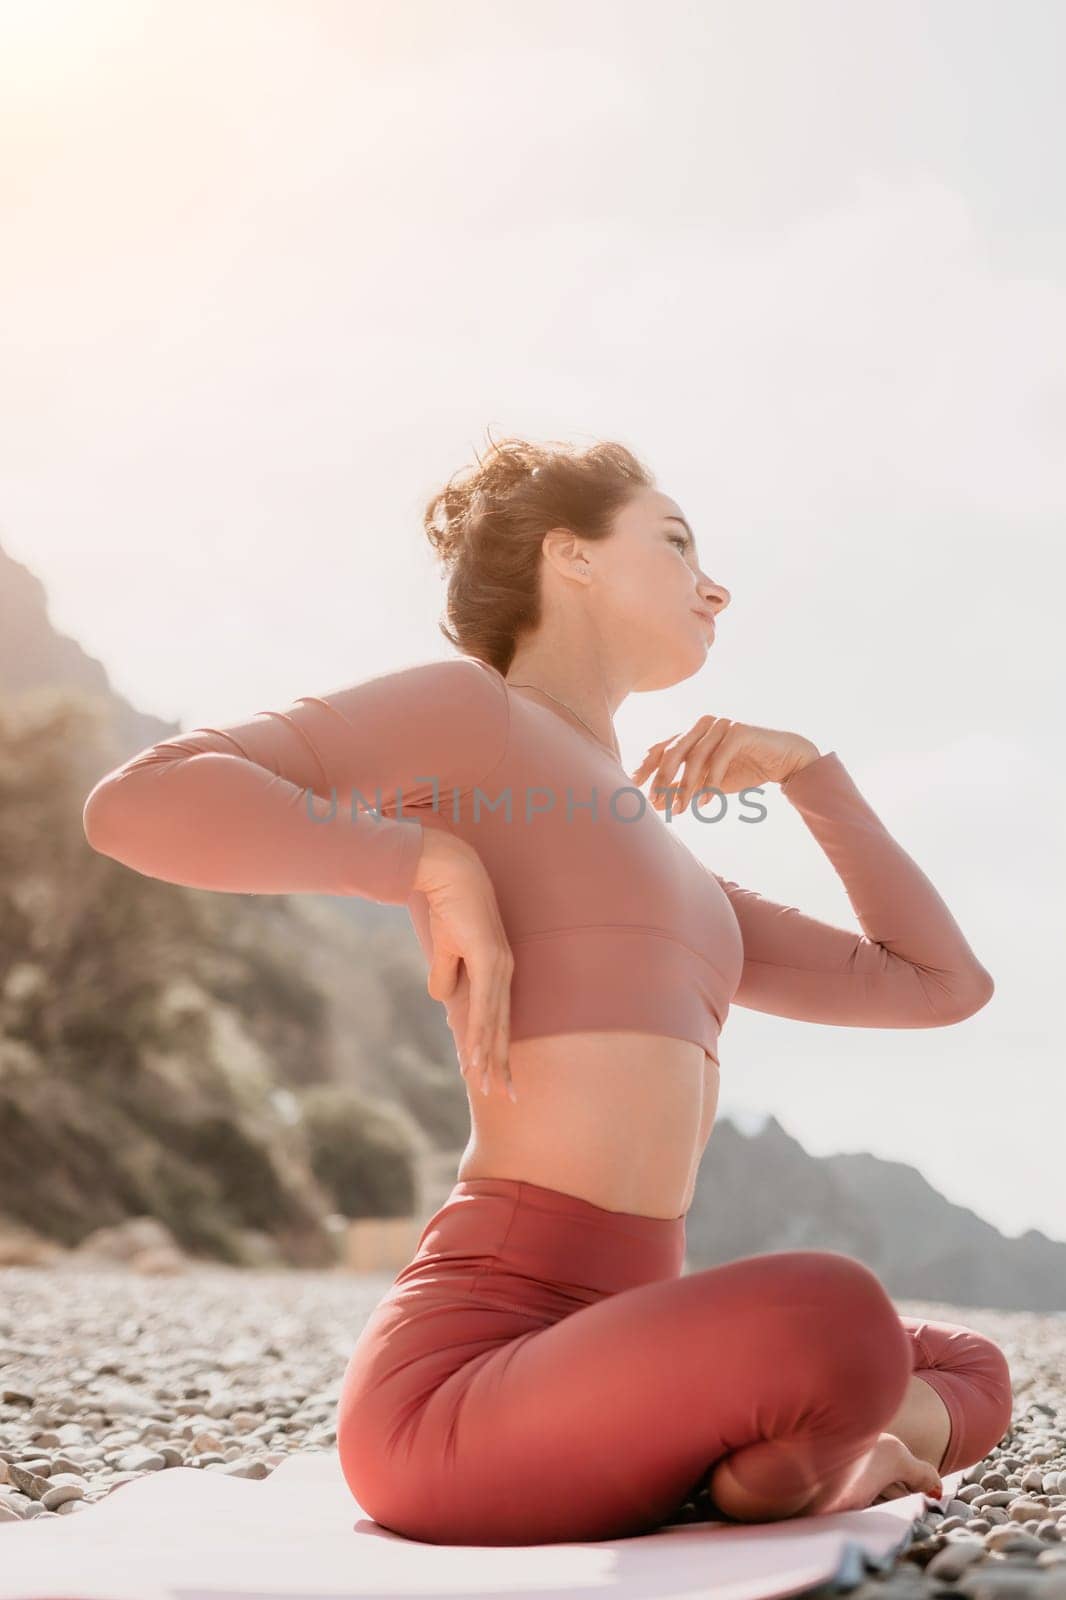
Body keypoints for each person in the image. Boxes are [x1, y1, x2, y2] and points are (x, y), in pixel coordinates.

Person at [82, 433, 1012, 1546]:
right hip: (463, 1384)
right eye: (674, 543)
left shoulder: (672, 867)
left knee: (971, 1363)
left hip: (619, 1343)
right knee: (833, 1313)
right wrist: (424, 857)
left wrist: (810, 775)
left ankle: (774, 1451)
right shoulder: (470, 713)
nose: (713, 584)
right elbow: (138, 804)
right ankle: (790, 1448)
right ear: (569, 558)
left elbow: (938, 985)